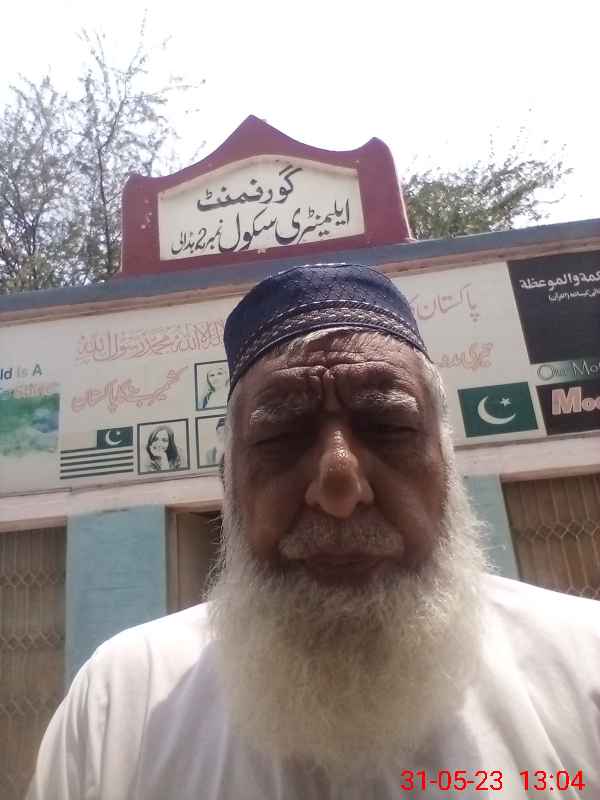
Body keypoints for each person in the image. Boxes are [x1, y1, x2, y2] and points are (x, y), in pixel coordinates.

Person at [28, 264, 600, 799]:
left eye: (388, 426)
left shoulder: (584, 668)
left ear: (448, 465)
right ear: (228, 481)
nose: (339, 488)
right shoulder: (119, 705)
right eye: (281, 437)